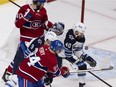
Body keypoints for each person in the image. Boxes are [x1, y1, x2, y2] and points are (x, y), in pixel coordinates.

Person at [2, 0, 53, 83]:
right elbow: (18, 24)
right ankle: (9, 72)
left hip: (39, 39)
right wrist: (26, 17)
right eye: (42, 3)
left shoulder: (43, 10)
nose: (43, 5)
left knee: (36, 59)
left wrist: (49, 25)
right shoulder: (24, 9)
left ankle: (38, 77)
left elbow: (44, 23)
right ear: (37, 2)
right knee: (21, 57)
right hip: (26, 39)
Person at [58, 22, 97, 87]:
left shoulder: (81, 39)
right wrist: (79, 61)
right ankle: (45, 79)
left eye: (81, 34)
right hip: (58, 54)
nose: (79, 35)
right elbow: (68, 54)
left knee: (83, 66)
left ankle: (82, 84)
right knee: (55, 71)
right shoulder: (69, 36)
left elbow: (77, 51)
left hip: (66, 54)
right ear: (74, 30)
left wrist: (87, 58)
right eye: (77, 33)